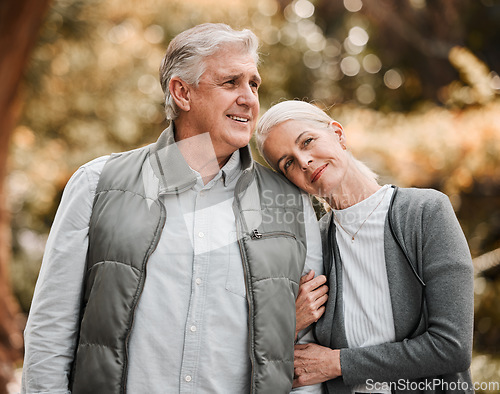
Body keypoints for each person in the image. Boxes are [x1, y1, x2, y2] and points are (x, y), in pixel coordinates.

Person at [21, 24, 324, 394]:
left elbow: (305, 355)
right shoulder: (96, 184)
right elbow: (50, 329)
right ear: (181, 92)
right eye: (231, 83)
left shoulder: (290, 202)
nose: (249, 98)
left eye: (254, 84)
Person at [256, 100, 474, 394]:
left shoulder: (425, 212)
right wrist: (290, 322)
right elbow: (284, 361)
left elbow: (452, 348)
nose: (304, 161)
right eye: (288, 163)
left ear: (338, 134)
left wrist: (340, 364)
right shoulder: (312, 247)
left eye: (307, 141)